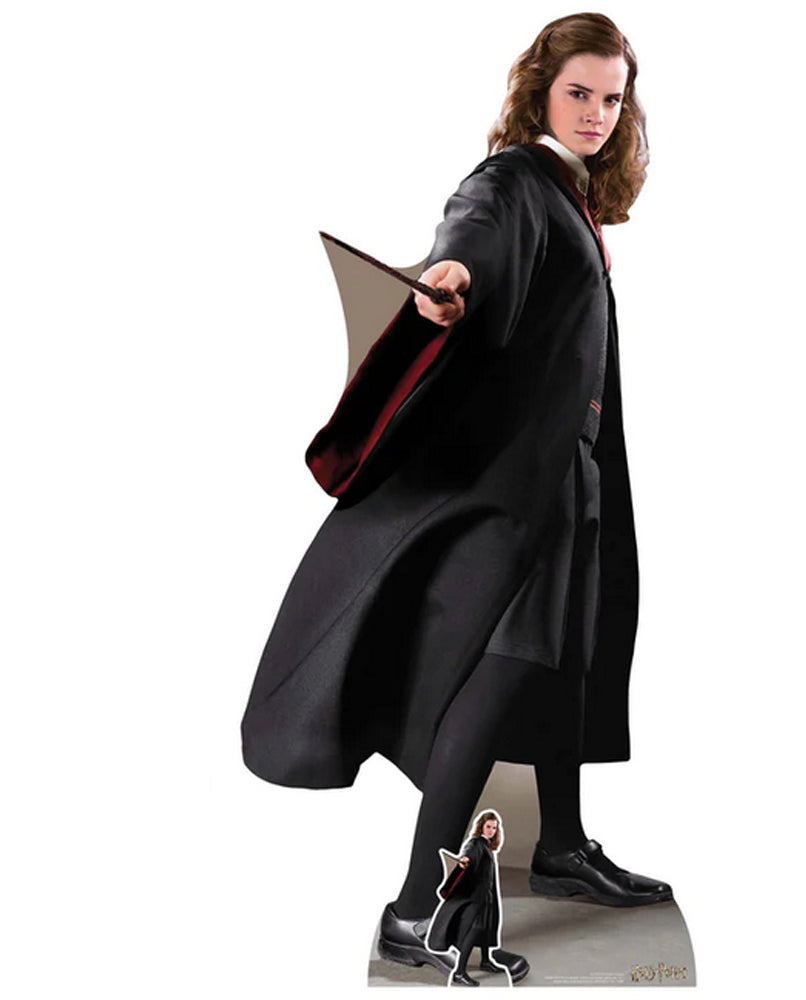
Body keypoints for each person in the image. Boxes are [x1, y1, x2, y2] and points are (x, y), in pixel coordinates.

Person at [241, 11, 672, 983]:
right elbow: (470, 240)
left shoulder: (571, 194)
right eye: (579, 93)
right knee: (507, 671)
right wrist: (450, 281)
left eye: (612, 98)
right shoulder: (511, 181)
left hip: (571, 476)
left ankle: (561, 844)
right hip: (515, 488)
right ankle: (414, 909)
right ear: (539, 92)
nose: (597, 112)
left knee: (569, 658)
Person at [423, 811, 514, 987]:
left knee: (486, 928)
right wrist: (464, 861)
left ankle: (486, 961)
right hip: (474, 897)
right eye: (488, 826)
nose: (491, 830)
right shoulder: (476, 843)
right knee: (473, 930)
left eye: (494, 828)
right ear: (481, 826)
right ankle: (459, 972)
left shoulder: (487, 846)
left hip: (486, 897)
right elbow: (468, 857)